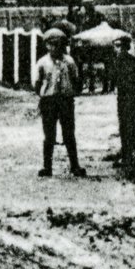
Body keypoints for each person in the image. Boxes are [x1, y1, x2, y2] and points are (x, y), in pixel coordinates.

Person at [32, 28, 85, 178]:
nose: (55, 47)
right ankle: (47, 167)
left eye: (58, 44)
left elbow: (76, 79)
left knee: (69, 134)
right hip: (49, 101)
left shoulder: (69, 61)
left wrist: (71, 92)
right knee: (49, 135)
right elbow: (36, 83)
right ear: (47, 45)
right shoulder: (42, 62)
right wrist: (44, 96)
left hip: (66, 101)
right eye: (51, 44)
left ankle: (75, 166)